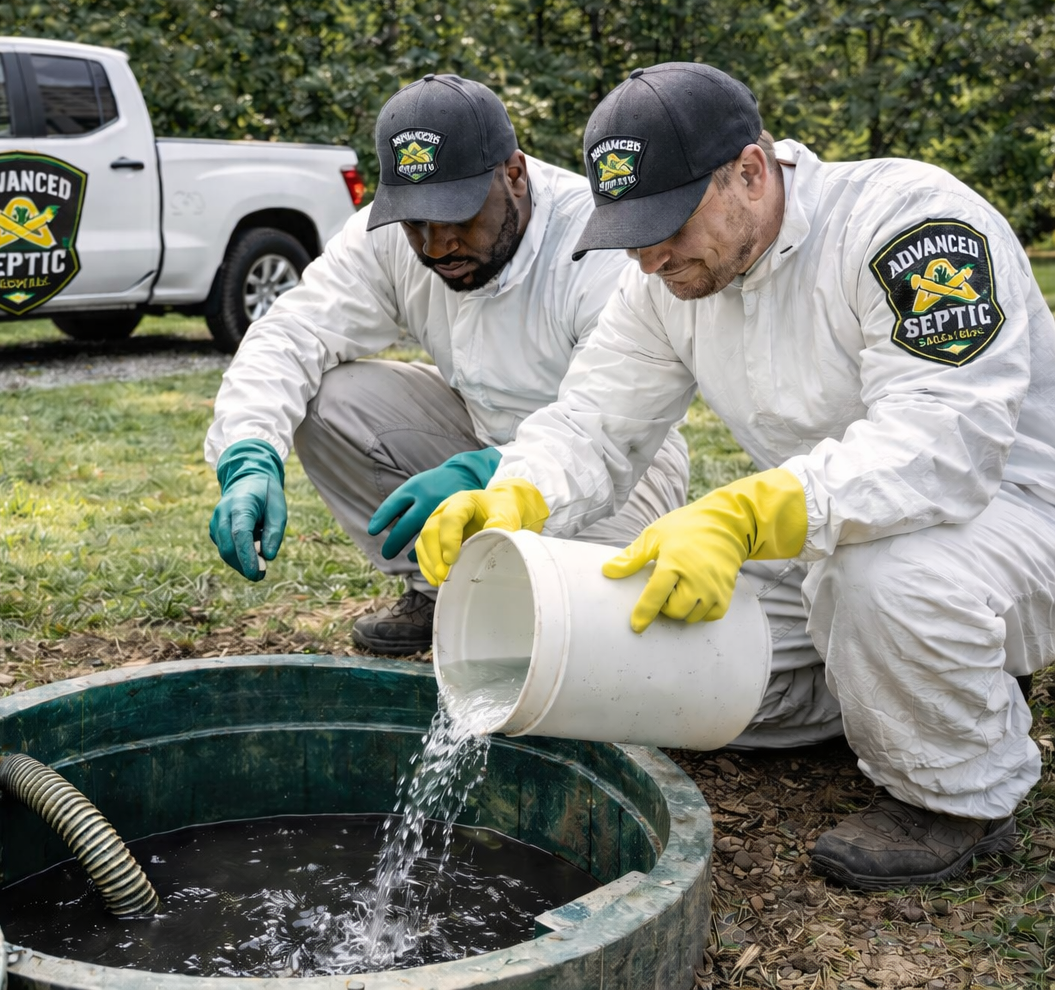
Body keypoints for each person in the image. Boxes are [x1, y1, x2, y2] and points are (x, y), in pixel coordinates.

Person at [417, 62, 1055, 889]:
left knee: (881, 576)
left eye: (669, 223)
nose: (649, 257)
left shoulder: (911, 224)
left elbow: (945, 442)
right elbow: (594, 421)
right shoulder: (664, 280)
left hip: (1014, 512)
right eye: (631, 230)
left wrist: (750, 512)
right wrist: (518, 490)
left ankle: (955, 793)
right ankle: (901, 688)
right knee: (655, 659)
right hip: (823, 527)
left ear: (750, 172)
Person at [203, 74, 689, 656]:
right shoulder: (384, 240)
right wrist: (249, 453)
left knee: (576, 633)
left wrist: (489, 476)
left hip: (614, 464)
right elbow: (291, 332)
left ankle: (523, 601)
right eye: (416, 222)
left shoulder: (599, 243)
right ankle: (439, 587)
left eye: (457, 216)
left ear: (514, 173)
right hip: (477, 434)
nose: (436, 247)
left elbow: (606, 424)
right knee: (333, 398)